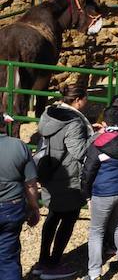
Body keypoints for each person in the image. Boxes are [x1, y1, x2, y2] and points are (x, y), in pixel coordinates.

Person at [35, 84, 92, 280]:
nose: (88, 101)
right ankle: (54, 264)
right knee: (68, 220)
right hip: (67, 176)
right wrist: (97, 137)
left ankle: (42, 261)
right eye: (86, 98)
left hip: (49, 173)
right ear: (78, 100)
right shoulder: (74, 122)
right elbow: (79, 151)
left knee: (52, 217)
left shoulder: (49, 114)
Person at [80, 100, 118, 280]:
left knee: (97, 231)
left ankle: (94, 273)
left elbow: (88, 172)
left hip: (102, 192)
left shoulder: (98, 143)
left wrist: (86, 194)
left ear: (104, 123)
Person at [0, 113, 40, 280]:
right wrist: (34, 207)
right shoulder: (19, 146)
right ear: (3, 124)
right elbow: (30, 184)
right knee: (8, 257)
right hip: (12, 207)